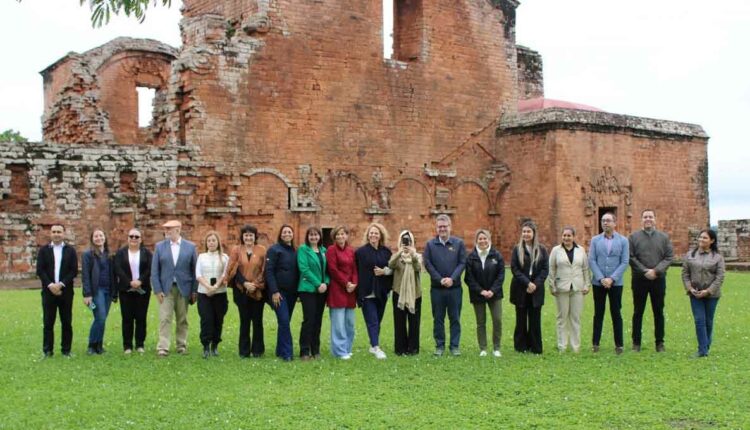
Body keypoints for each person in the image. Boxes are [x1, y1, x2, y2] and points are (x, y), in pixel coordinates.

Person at [629, 209, 674, 352]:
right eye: (645, 217)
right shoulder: (633, 237)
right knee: (638, 311)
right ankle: (636, 343)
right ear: (641, 219)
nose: (648, 219)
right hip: (639, 280)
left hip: (658, 279)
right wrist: (644, 271)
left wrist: (656, 271)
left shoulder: (664, 238)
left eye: (650, 216)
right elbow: (631, 257)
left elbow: (668, 257)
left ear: (655, 219)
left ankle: (659, 343)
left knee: (658, 311)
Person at [151, 220, 198, 356]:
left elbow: (195, 270)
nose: (166, 231)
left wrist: (194, 291)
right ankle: (163, 347)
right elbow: (155, 271)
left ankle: (181, 345)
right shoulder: (160, 247)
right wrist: (157, 290)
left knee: (182, 318)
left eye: (169, 229)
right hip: (166, 288)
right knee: (165, 317)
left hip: (184, 288)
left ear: (178, 230)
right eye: (165, 229)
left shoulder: (190, 247)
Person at [424, 214, 467, 357]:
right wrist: (440, 279)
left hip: (454, 289)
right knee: (438, 318)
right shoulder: (430, 245)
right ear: (436, 228)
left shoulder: (458, 243)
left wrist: (452, 279)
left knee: (455, 318)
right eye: (439, 226)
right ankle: (440, 346)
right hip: (437, 289)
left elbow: (462, 263)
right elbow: (428, 264)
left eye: (445, 226)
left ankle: (454, 346)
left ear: (450, 227)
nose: (442, 229)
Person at [588, 212, 629, 354]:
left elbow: (624, 262)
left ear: (614, 223)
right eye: (603, 220)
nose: (605, 223)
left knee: (616, 313)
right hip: (598, 283)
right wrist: (601, 278)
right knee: (598, 313)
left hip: (616, 283)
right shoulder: (595, 240)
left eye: (608, 220)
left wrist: (612, 278)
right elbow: (591, 260)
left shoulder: (623, 241)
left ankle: (619, 345)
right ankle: (595, 343)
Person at [681, 229, 725, 358]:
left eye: (705, 238)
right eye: (700, 237)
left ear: (712, 241)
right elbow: (685, 274)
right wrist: (690, 288)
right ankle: (702, 350)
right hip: (695, 294)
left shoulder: (718, 257)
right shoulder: (690, 255)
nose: (701, 240)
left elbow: (720, 277)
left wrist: (708, 291)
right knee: (699, 320)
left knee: (708, 321)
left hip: (712, 295)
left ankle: (706, 345)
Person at [36, 223, 78, 358]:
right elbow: (40, 270)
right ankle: (47, 351)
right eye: (54, 232)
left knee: (66, 322)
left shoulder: (70, 251)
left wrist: (60, 284)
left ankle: (66, 350)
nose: (56, 234)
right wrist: (50, 285)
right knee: (48, 322)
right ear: (50, 234)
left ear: (64, 233)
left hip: (65, 292)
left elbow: (73, 271)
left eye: (59, 232)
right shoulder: (44, 251)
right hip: (48, 292)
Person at [227, 224, 267, 358]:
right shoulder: (236, 250)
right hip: (241, 291)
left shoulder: (261, 250)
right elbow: (233, 270)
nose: (248, 237)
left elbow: (264, 269)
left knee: (257, 320)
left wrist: (255, 284)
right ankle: (244, 351)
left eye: (251, 235)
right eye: (246, 235)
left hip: (257, 291)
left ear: (255, 236)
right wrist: (245, 283)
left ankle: (257, 350)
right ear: (242, 237)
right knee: (244, 321)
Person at [548, 226, 590, 353]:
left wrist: (587, 284)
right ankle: (562, 346)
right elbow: (552, 268)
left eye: (569, 235)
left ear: (573, 237)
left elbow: (585, 269)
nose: (566, 238)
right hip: (562, 287)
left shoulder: (580, 250)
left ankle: (575, 346)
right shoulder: (556, 250)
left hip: (577, 287)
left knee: (575, 318)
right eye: (564, 235)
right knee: (562, 318)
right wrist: (552, 285)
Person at [509, 221, 548, 354]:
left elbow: (545, 269)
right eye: (524, 232)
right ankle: (521, 346)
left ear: (534, 233)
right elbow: (514, 269)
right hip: (521, 288)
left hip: (536, 289)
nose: (526, 234)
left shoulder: (542, 249)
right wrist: (527, 283)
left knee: (535, 319)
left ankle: (535, 347)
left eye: (528, 232)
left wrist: (535, 284)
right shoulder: (517, 249)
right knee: (521, 319)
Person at [355, 223, 393, 359]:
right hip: (367, 292)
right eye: (371, 233)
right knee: (372, 321)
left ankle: (372, 345)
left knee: (378, 319)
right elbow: (355, 271)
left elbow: (392, 269)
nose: (373, 235)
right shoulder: (360, 252)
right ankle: (376, 347)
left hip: (382, 291)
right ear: (367, 235)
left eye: (376, 233)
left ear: (380, 235)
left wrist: (384, 271)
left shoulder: (386, 252)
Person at [464, 229, 504, 357]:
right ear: (476, 241)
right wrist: (481, 291)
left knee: (497, 320)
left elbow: (501, 276)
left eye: (485, 238)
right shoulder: (471, 257)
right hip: (478, 294)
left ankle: (496, 347)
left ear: (489, 240)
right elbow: (469, 278)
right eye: (480, 239)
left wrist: (492, 290)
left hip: (495, 294)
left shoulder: (497, 255)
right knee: (481, 322)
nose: (483, 241)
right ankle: (483, 348)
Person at [113, 228, 152, 354]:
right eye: (131, 236)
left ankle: (140, 344)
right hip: (126, 290)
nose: (134, 239)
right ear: (128, 238)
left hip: (143, 290)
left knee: (141, 317)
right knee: (127, 318)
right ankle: (127, 346)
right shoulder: (121, 253)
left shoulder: (146, 253)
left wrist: (140, 281)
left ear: (141, 239)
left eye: (136, 237)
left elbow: (149, 269)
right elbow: (118, 269)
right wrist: (129, 282)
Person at [265, 224, 300, 361]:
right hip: (278, 294)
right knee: (284, 320)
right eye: (284, 232)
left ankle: (280, 350)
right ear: (280, 234)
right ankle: (287, 353)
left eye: (289, 232)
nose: (287, 234)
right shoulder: (274, 250)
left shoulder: (295, 251)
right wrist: (274, 291)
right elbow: (269, 271)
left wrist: (298, 293)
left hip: (292, 293)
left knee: (284, 321)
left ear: (292, 234)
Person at [81, 229, 116, 355]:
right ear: (92, 239)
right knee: (100, 317)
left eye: (101, 235)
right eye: (96, 236)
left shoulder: (110, 255)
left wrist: (114, 292)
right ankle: (91, 346)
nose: (98, 238)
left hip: (108, 290)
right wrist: (87, 294)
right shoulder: (88, 255)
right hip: (96, 291)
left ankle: (99, 346)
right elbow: (85, 276)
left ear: (105, 238)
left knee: (102, 318)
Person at [326, 226, 358, 359]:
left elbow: (355, 269)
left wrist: (354, 283)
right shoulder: (331, 250)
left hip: (350, 290)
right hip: (337, 289)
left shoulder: (351, 250)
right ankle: (339, 351)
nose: (340, 237)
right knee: (338, 323)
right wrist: (346, 283)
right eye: (337, 235)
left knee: (349, 322)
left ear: (346, 235)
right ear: (334, 237)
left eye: (343, 234)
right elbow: (333, 270)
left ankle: (347, 348)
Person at [297, 226, 329, 360]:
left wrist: (325, 283)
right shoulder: (303, 250)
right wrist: (318, 284)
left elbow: (327, 270)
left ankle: (315, 349)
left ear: (320, 237)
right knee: (309, 320)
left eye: (316, 235)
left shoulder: (323, 250)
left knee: (318, 320)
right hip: (308, 289)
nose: (314, 237)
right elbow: (304, 268)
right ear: (307, 237)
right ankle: (304, 351)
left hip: (322, 290)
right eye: (311, 235)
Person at [196, 231, 229, 359]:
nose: (211, 243)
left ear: (218, 242)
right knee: (206, 320)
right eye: (209, 241)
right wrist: (208, 287)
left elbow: (224, 274)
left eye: (213, 240)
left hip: (220, 293)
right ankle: (205, 345)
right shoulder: (201, 256)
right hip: (204, 293)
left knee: (218, 320)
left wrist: (215, 287)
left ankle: (215, 345)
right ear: (206, 243)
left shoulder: (225, 257)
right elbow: (198, 274)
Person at [389, 230, 423, 356]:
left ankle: (413, 349)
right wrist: (400, 252)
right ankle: (400, 348)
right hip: (399, 292)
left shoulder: (417, 256)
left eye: (408, 240)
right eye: (403, 240)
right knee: (399, 322)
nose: (406, 243)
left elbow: (418, 268)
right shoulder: (397, 256)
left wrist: (412, 254)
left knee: (414, 322)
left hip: (415, 293)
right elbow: (391, 264)